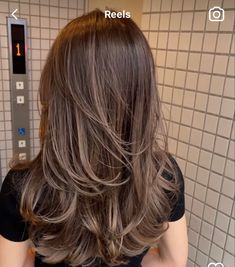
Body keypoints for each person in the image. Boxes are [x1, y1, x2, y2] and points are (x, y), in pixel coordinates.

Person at [0, 9, 188, 267]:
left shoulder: (23, 186)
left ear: (56, 90)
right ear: (141, 92)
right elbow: (173, 261)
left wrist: (32, 257)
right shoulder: (163, 176)